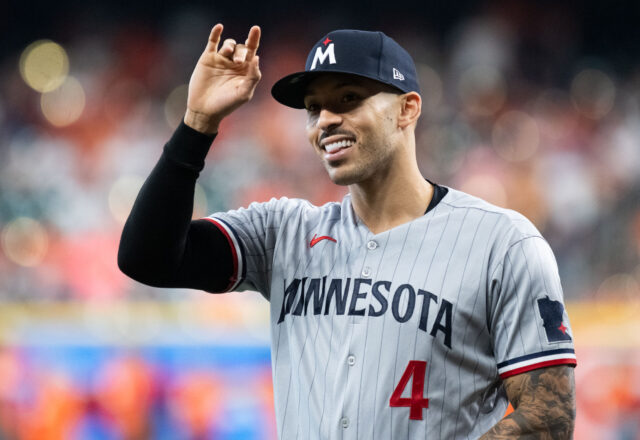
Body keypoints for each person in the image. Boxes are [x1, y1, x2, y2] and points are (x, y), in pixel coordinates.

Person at [118, 24, 577, 439]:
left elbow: (549, 418)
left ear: (407, 109)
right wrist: (197, 124)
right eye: (314, 108)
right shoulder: (286, 233)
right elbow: (147, 258)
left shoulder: (501, 243)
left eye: (348, 99)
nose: (325, 121)